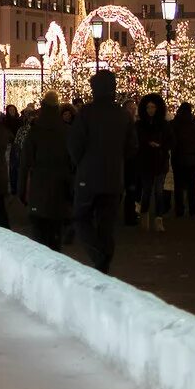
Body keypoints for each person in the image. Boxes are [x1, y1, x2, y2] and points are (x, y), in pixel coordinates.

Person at [68, 71, 138, 274]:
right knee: (106, 224)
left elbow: (74, 143)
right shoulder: (123, 115)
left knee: (81, 218)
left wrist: (82, 163)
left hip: (88, 177)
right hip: (114, 177)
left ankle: (100, 257)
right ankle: (103, 263)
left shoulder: (87, 113)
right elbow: (132, 147)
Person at [19, 92, 73, 249]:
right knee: (55, 233)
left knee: (39, 234)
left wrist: (21, 190)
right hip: (60, 186)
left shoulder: (35, 131)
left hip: (39, 186)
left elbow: (25, 162)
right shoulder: (66, 131)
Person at [135, 93, 172, 232]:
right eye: (148, 107)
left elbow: (171, 141)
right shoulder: (139, 125)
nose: (151, 110)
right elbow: (136, 141)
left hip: (160, 161)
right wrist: (147, 144)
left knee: (158, 191)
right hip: (145, 162)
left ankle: (158, 219)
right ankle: (145, 217)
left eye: (153, 107)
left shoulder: (164, 125)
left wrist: (160, 145)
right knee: (147, 190)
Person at [170, 102, 195, 218]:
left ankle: (179, 209)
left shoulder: (174, 123)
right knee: (192, 185)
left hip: (178, 157)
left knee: (178, 185)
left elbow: (170, 138)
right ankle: (192, 209)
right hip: (192, 157)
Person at [122, 99, 141, 226]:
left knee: (132, 191)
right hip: (125, 161)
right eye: (130, 108)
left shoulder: (136, 124)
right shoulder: (123, 124)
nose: (133, 110)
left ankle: (130, 215)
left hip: (132, 162)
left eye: (134, 108)